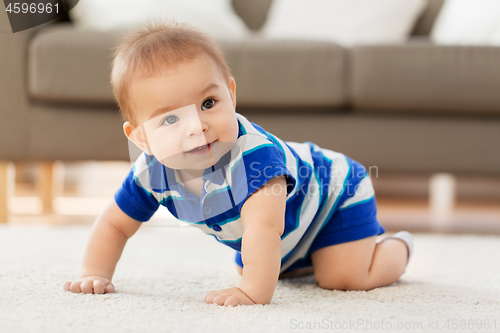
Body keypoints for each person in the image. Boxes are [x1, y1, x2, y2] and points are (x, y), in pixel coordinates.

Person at [62, 21, 414, 306]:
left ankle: (396, 248)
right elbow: (114, 224)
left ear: (231, 94)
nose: (196, 126)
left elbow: (264, 229)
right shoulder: (149, 173)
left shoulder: (256, 161)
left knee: (342, 279)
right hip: (291, 225)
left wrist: (251, 292)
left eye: (209, 103)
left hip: (335, 194)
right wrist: (94, 272)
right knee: (262, 257)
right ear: (140, 138)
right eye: (170, 120)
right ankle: (298, 259)